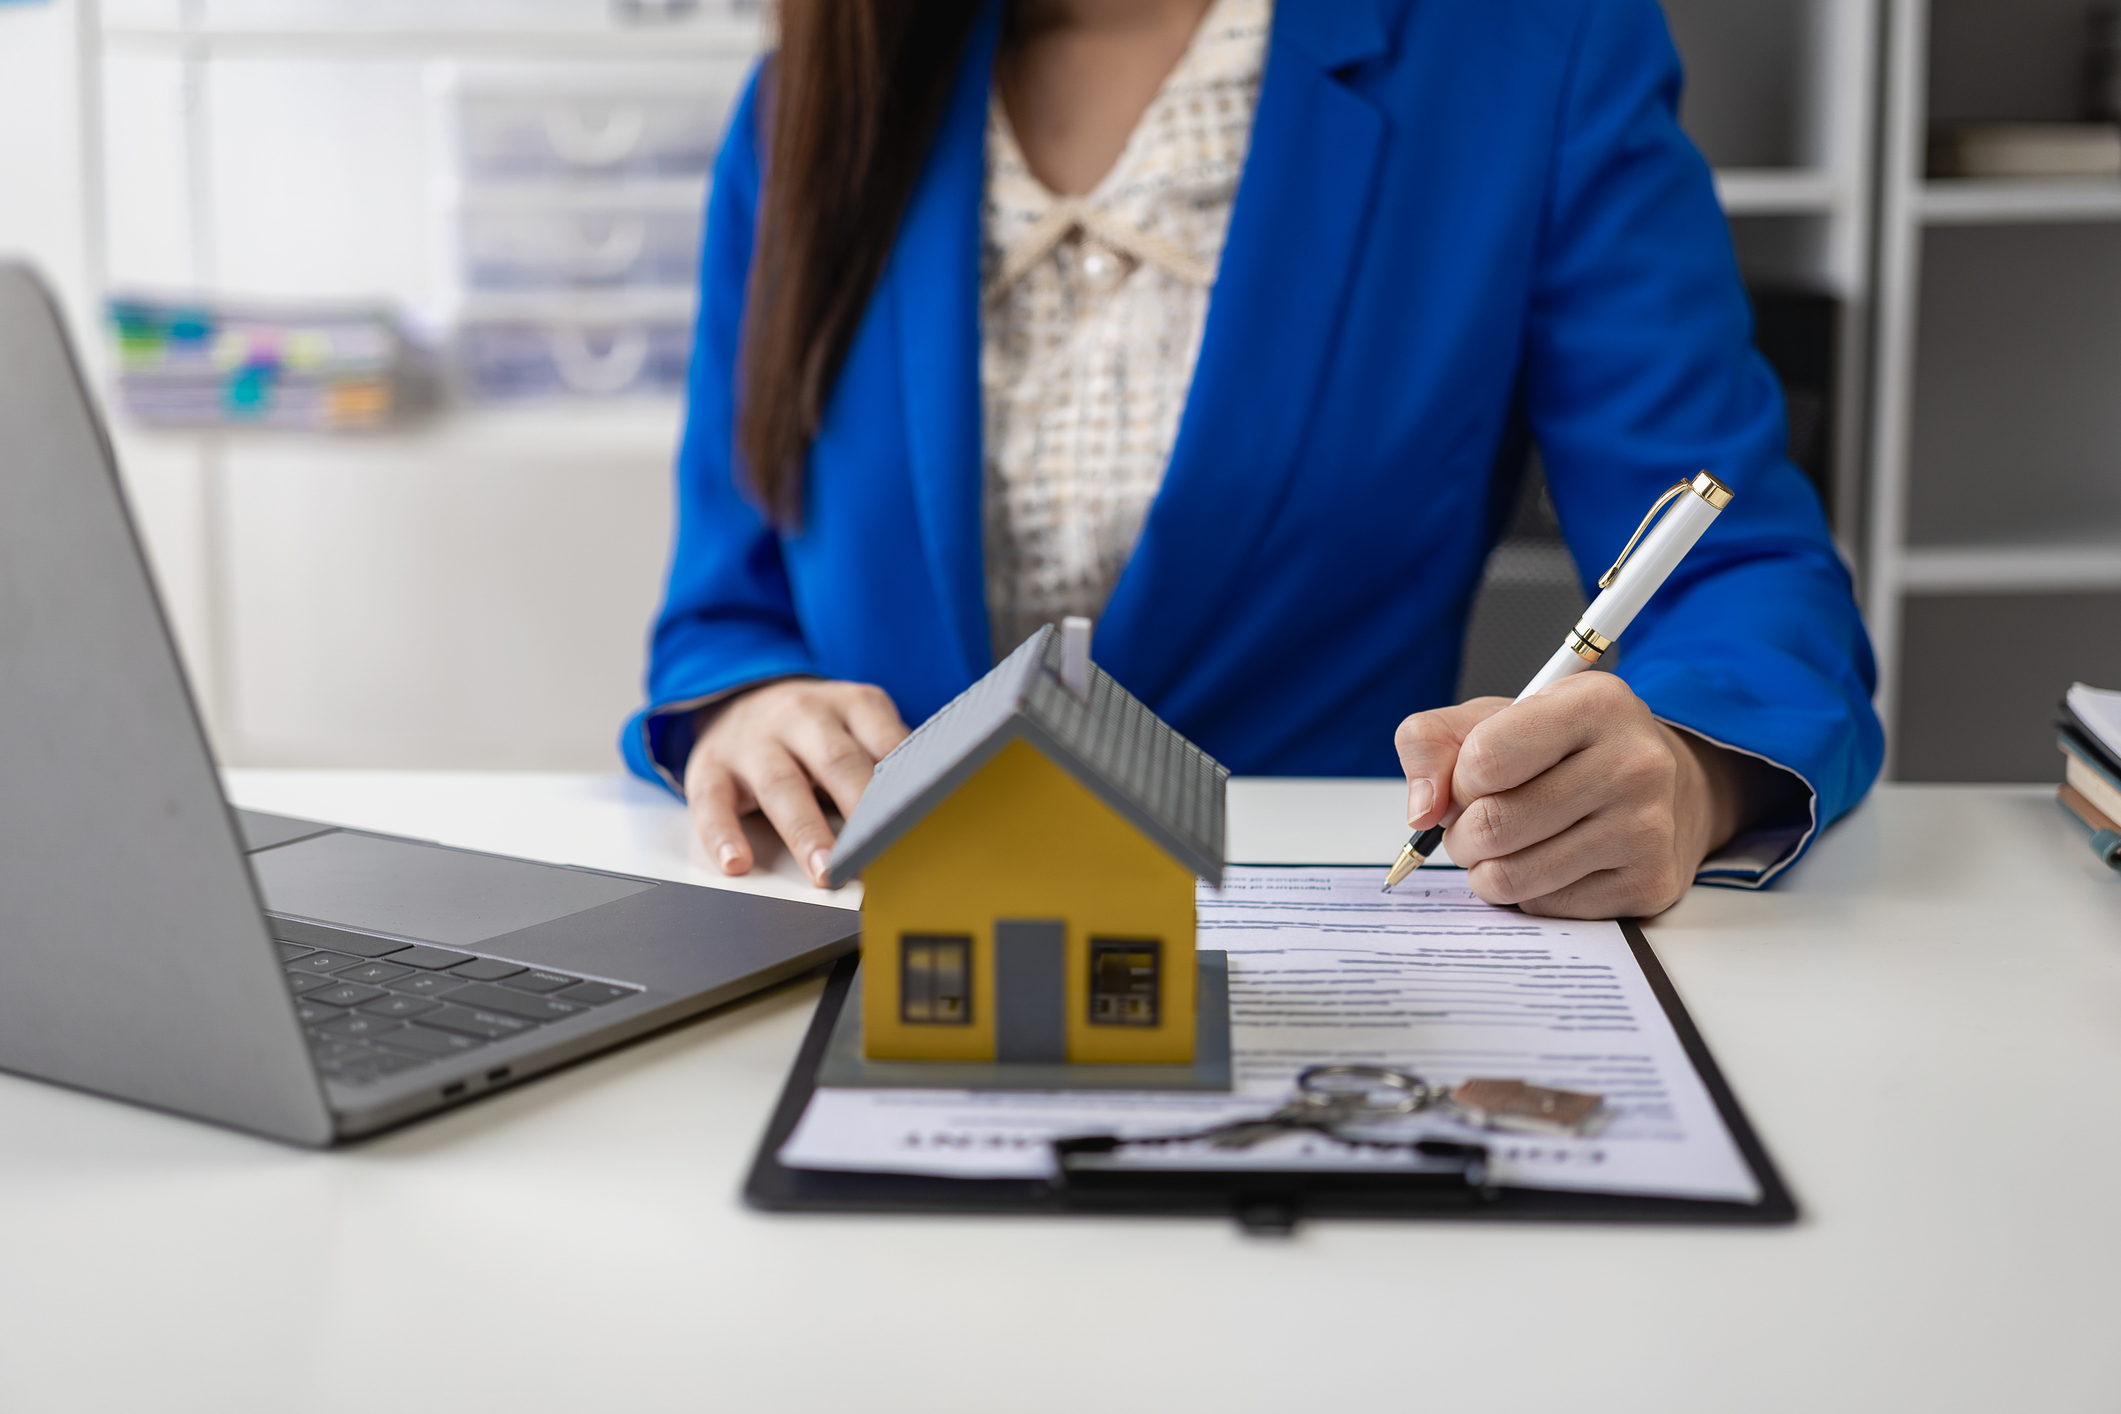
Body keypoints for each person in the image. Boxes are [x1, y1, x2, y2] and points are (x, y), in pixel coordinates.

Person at [622, 0, 1883, 919]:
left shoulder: (1531, 54)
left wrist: (1687, 770)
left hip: (1321, 947)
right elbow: (727, 607)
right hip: (859, 931)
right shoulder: (807, 99)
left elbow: (1737, 564)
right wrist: (749, 705)